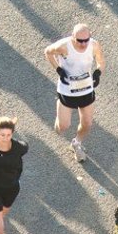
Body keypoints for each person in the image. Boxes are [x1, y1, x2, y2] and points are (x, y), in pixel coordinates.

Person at [44, 21, 105, 159]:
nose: (83, 44)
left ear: (90, 36)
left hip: (86, 89)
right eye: (79, 41)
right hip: (67, 90)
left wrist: (98, 73)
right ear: (72, 37)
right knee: (63, 127)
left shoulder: (94, 45)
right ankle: (60, 115)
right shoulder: (63, 46)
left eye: (86, 40)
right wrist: (58, 69)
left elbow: (101, 61)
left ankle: (76, 143)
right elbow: (47, 52)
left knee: (87, 123)